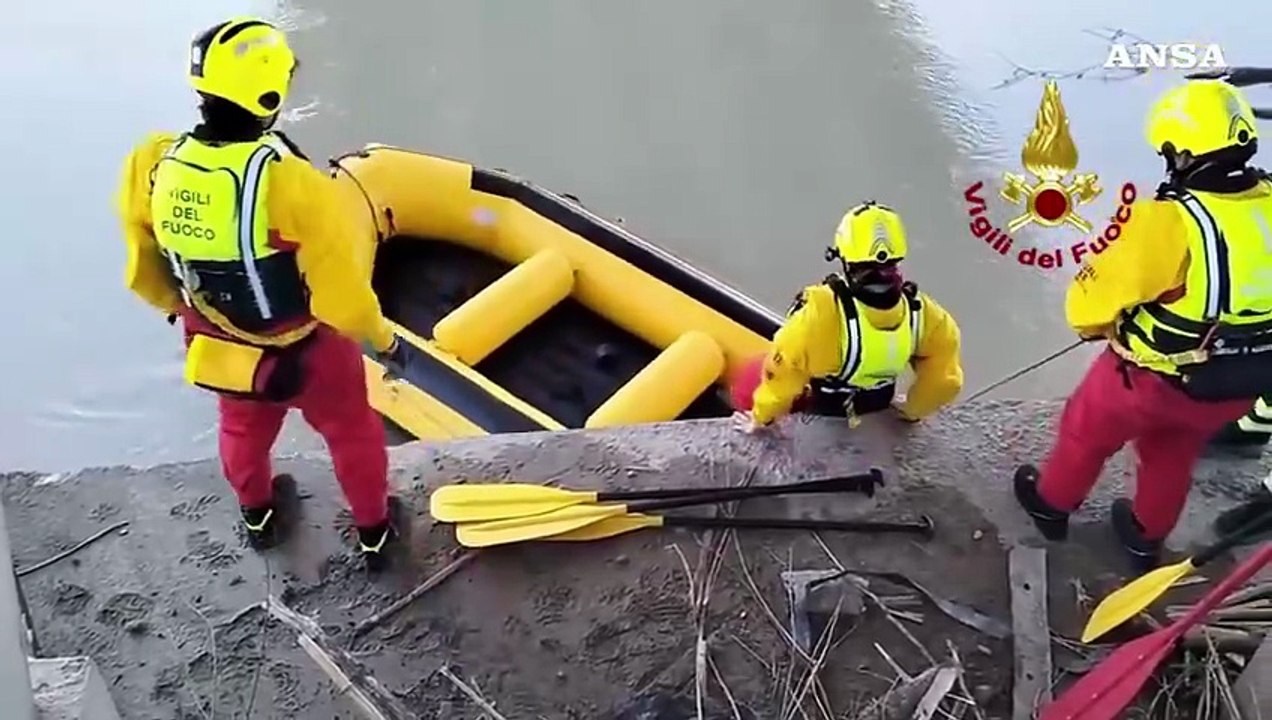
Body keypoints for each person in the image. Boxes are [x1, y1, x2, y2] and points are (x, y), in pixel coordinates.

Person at [115, 17, 410, 571]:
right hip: (304, 346)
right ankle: (374, 532)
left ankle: (259, 515)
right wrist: (384, 340)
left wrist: (184, 311)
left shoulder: (151, 164)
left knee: (241, 426)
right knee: (351, 431)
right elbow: (340, 300)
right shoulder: (293, 185)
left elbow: (143, 269)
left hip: (219, 339)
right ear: (268, 93)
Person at [1013, 79, 1272, 570]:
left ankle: (1051, 505)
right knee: (1172, 455)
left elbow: (1088, 306)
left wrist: (1096, 326)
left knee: (1085, 432)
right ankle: (1143, 537)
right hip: (1234, 387)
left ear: (1180, 151)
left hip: (1145, 381)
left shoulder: (1165, 223)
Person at [730, 201, 964, 431]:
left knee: (750, 378)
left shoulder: (821, 315)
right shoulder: (925, 315)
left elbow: (781, 376)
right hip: (878, 407)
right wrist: (912, 411)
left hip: (826, 416)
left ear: (844, 257)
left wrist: (761, 418)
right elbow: (945, 381)